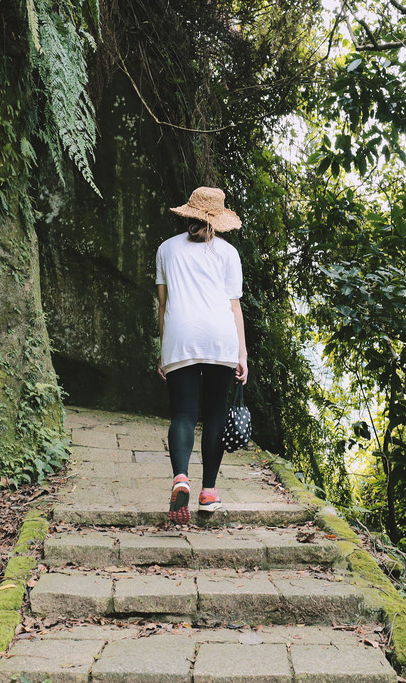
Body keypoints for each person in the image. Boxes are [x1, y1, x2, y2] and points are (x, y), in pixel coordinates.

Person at [155, 186, 248, 523]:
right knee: (214, 415)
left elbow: (163, 305)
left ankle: (181, 477)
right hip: (221, 339)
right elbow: (233, 307)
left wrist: (164, 350)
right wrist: (243, 355)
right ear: (217, 220)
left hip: (181, 336)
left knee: (182, 414)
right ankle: (209, 492)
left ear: (190, 214)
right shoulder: (229, 253)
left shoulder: (166, 249)